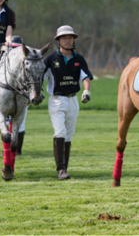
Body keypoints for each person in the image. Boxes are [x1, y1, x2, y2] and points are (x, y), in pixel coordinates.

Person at [44, 25, 93, 180]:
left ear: (73, 40)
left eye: (70, 37)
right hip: (57, 100)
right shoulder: (51, 59)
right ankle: (61, 170)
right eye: (64, 38)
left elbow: (85, 77)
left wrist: (86, 91)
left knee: (69, 136)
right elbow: (41, 77)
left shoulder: (79, 59)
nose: (67, 40)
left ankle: (65, 167)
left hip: (73, 100)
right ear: (58, 40)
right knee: (60, 132)